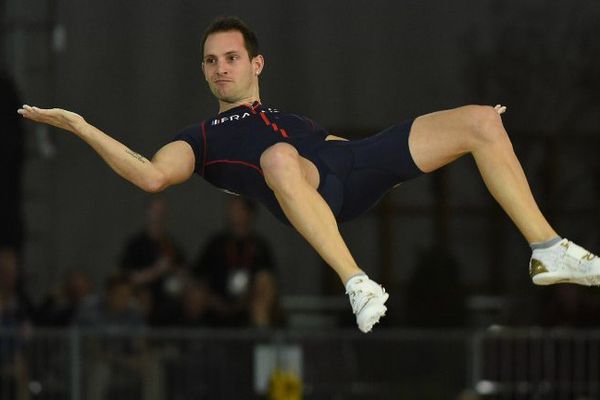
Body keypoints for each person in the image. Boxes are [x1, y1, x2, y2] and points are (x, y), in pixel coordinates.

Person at [17, 17, 600, 333]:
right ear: (203, 71)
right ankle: (356, 282)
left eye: (232, 58)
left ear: (255, 63)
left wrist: (413, 159)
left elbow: (345, 151)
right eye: (211, 61)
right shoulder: (200, 138)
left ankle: (548, 249)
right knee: (277, 160)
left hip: (345, 166)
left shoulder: (289, 117)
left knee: (479, 120)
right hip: (304, 184)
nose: (221, 69)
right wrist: (79, 126)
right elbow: (148, 176)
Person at [193, 196, 277, 326]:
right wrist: (213, 300)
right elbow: (198, 276)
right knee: (195, 297)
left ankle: (263, 341)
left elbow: (266, 282)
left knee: (262, 302)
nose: (233, 213)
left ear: (249, 213)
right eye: (231, 208)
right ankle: (193, 342)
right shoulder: (216, 244)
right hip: (216, 305)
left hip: (247, 305)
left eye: (238, 209)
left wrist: (244, 302)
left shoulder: (260, 247)